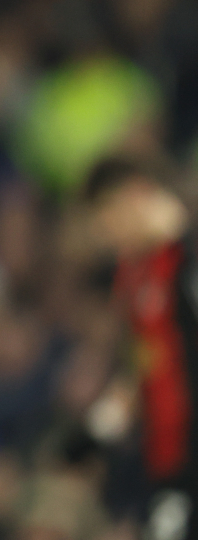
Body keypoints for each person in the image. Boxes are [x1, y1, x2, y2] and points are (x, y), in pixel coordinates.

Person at [86, 157, 198, 540]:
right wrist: (90, 440)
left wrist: (186, 239)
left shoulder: (180, 261)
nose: (105, 233)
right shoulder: (133, 276)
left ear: (137, 196)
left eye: (107, 217)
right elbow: (144, 365)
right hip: (167, 459)